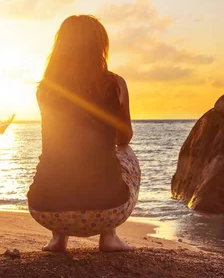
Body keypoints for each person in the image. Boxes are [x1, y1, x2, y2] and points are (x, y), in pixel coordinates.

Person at [27, 15, 140, 253]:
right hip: (107, 211)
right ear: (99, 48)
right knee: (124, 152)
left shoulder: (46, 89)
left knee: (58, 154)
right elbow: (124, 138)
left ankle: (58, 238)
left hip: (44, 209)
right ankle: (109, 237)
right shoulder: (115, 84)